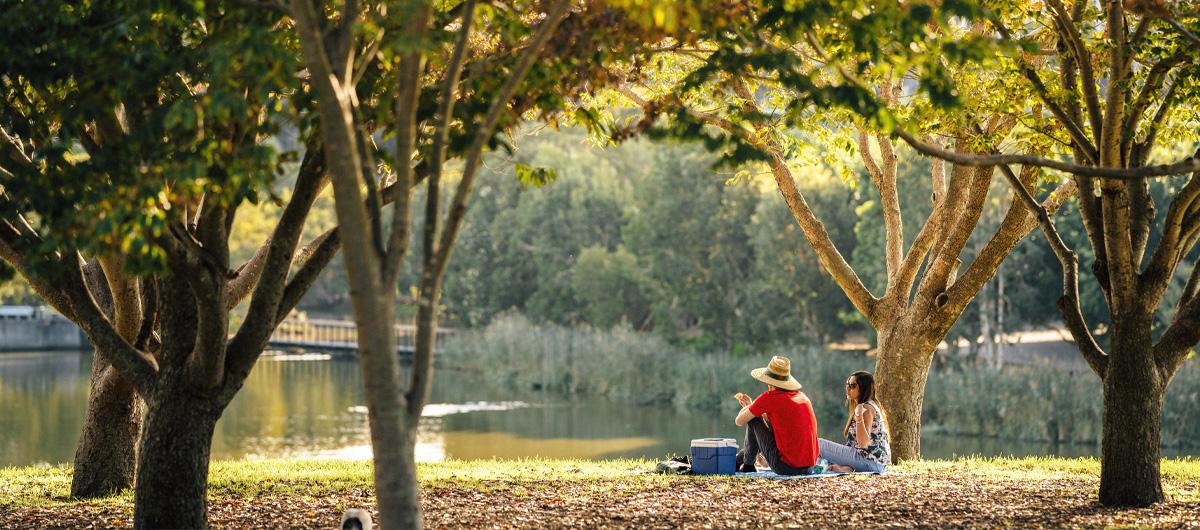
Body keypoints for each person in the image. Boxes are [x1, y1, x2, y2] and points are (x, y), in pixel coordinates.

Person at [733, 355, 819, 475]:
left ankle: (747, 465)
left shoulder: (769, 398)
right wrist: (752, 406)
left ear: (769, 382)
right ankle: (740, 461)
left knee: (754, 419)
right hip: (808, 468)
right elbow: (771, 423)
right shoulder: (802, 397)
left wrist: (749, 407)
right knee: (756, 417)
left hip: (785, 468)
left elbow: (739, 421)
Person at [818, 370, 891, 473]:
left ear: (863, 388)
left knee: (818, 444)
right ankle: (848, 468)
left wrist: (859, 417)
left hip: (870, 462)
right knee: (824, 454)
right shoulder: (867, 405)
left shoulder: (866, 408)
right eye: (847, 384)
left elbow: (863, 443)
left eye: (852, 386)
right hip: (873, 463)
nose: (848, 388)